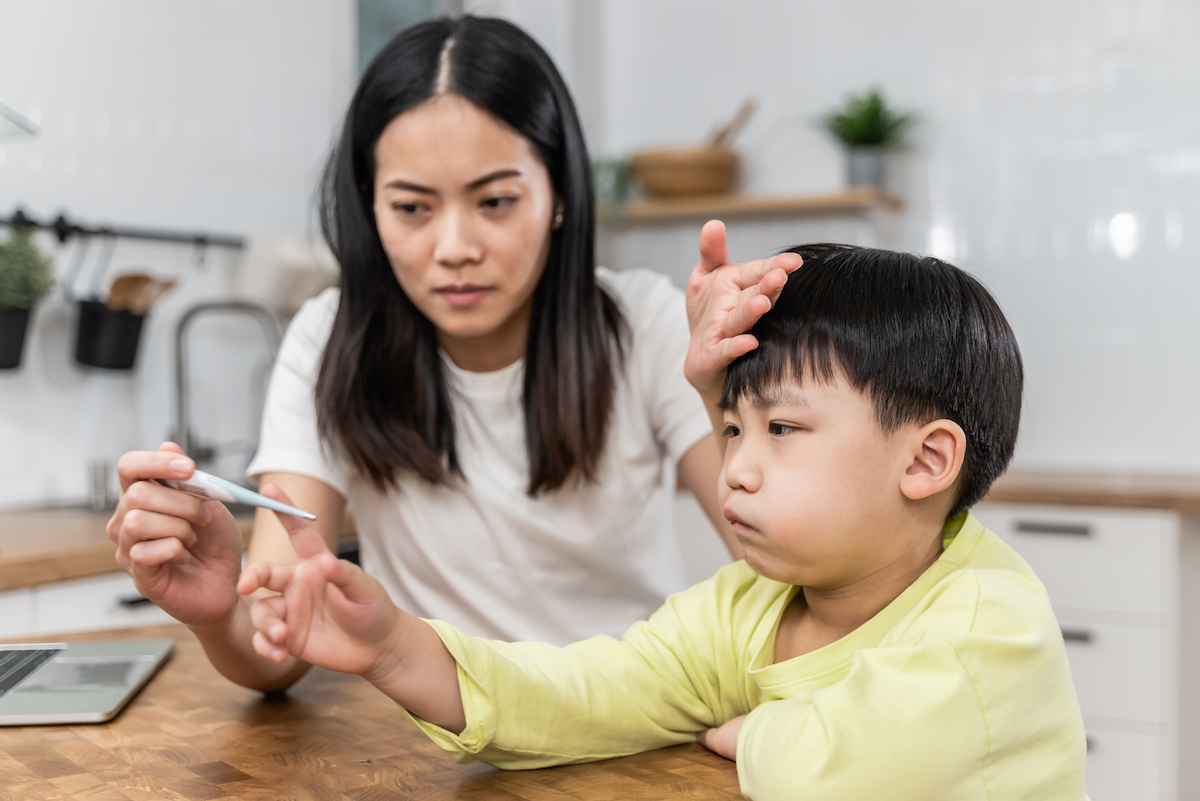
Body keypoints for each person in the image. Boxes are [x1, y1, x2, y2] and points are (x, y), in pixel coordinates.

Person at [236, 244, 1088, 800]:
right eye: (730, 428)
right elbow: (588, 692)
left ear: (926, 461)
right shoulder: (747, 605)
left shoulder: (988, 624)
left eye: (781, 430)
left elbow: (840, 771)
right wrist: (395, 648)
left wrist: (756, 732)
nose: (739, 467)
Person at [107, 16, 800, 691]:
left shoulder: (645, 324)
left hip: (630, 717)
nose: (455, 247)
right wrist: (218, 614)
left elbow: (786, 567)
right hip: (433, 736)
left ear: (559, 193)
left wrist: (725, 391)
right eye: (412, 208)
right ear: (368, 206)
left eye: (495, 201)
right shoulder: (329, 337)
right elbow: (280, 641)